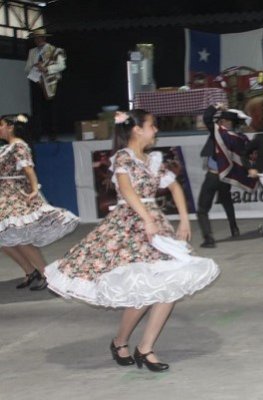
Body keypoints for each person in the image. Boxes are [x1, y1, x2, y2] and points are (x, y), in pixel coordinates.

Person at [45, 110, 220, 372]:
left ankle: (145, 348)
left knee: (168, 286)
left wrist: (185, 219)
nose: (156, 130)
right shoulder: (122, 157)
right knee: (142, 290)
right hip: (130, 225)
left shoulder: (152, 159)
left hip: (155, 226)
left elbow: (174, 186)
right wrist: (146, 219)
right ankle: (120, 341)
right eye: (152, 125)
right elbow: (126, 191)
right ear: (137, 129)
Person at [0, 114, 78, 290]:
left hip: (16, 195)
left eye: (1, 125)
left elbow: (28, 169)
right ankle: (30, 271)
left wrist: (35, 188)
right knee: (5, 240)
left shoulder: (19, 146)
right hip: (4, 197)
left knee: (20, 238)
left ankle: (46, 275)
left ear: (10, 127)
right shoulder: (6, 148)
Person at [197, 104, 252, 248]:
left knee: (202, 209)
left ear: (225, 122)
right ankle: (234, 228)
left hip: (213, 175)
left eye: (222, 120)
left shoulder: (219, 133)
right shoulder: (239, 138)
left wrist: (216, 106)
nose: (220, 122)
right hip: (225, 175)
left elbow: (206, 118)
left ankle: (208, 238)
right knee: (226, 201)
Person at [24, 28, 66, 142]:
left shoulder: (55, 50)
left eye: (38, 38)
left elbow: (61, 66)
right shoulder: (32, 52)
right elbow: (27, 68)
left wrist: (46, 68)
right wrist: (34, 66)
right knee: (37, 110)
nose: (36, 40)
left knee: (51, 110)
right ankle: (37, 134)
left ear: (43, 38)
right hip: (37, 82)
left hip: (51, 83)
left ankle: (53, 134)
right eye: (35, 38)